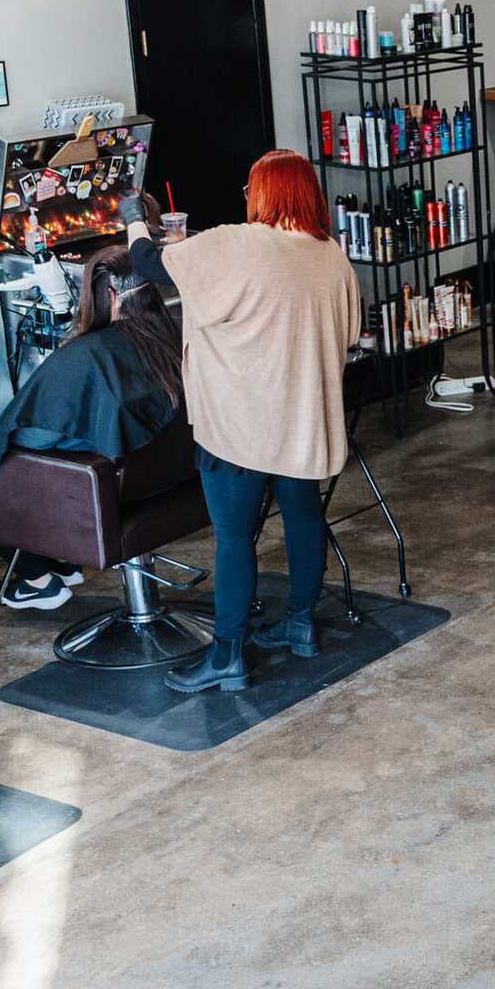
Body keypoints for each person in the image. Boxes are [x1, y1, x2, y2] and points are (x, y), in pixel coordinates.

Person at [121, 149, 360, 696]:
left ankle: (227, 654)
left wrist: (137, 218)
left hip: (240, 427)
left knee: (233, 539)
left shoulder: (236, 243)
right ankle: (299, 623)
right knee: (303, 520)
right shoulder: (331, 256)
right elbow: (346, 337)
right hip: (304, 423)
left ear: (263, 193)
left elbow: (150, 266)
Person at [0, 223, 182, 612]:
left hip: (106, 487)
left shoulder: (85, 358)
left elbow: (34, 432)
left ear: (107, 295)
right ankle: (59, 558)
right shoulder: (170, 338)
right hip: (163, 483)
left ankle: (34, 578)